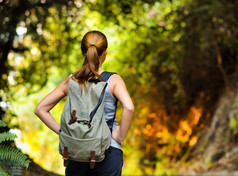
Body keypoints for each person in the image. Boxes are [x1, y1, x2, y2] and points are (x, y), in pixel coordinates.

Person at [34, 30, 134, 176]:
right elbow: (129, 107)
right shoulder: (113, 80)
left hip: (77, 152)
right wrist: (119, 136)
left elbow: (40, 109)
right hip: (108, 150)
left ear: (82, 51)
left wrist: (64, 133)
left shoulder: (72, 80)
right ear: (105, 52)